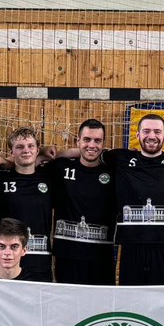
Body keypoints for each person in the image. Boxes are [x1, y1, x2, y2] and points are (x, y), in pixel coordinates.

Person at [50, 119, 117, 285]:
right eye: (87, 140)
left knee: (101, 301)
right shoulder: (60, 167)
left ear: (103, 144)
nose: (92, 145)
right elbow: (33, 158)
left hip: (101, 257)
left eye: (97, 141)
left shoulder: (115, 172)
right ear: (77, 141)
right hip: (67, 255)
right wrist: (47, 150)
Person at [0, 128, 54, 281]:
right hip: (6, 261)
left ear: (37, 150)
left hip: (39, 261)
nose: (26, 150)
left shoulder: (50, 178)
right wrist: (5, 162)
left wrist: (45, 151)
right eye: (20, 147)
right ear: (11, 152)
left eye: (30, 146)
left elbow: (71, 154)